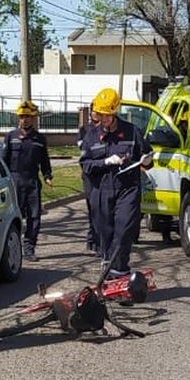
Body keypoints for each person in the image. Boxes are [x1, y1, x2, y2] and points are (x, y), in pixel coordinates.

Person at [79, 88, 151, 276]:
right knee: (105, 234)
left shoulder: (132, 131)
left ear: (114, 112)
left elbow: (146, 154)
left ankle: (118, 272)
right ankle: (111, 270)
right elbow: (85, 164)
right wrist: (105, 162)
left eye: (107, 115)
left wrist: (147, 160)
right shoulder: (91, 135)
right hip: (101, 190)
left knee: (124, 230)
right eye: (100, 114)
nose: (102, 118)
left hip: (127, 189)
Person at [2, 100, 53, 261]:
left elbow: (45, 161)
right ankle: (11, 248)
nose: (25, 119)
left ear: (34, 118)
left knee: (34, 216)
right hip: (14, 181)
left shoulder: (39, 139)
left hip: (32, 182)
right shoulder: (11, 136)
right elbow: (3, 160)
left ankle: (29, 248)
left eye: (28, 117)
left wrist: (47, 176)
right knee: (13, 217)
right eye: (22, 117)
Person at [77, 119, 98, 252]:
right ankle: (92, 238)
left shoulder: (107, 129)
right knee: (93, 208)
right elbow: (82, 149)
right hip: (90, 175)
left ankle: (98, 241)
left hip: (104, 176)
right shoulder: (85, 130)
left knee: (102, 211)